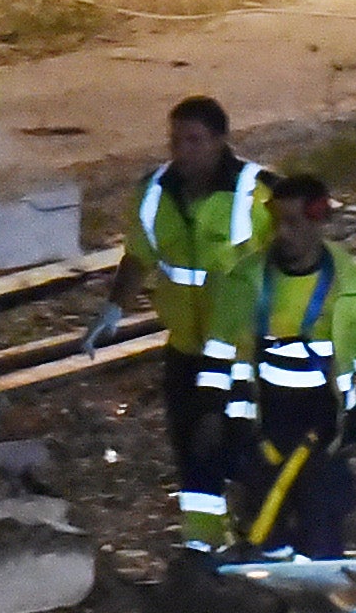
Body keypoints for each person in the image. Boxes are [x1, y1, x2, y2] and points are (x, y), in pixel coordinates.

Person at [91, 94, 274, 549]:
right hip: (188, 350)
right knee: (192, 449)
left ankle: (263, 538)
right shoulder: (154, 194)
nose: (182, 152)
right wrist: (114, 308)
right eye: (176, 140)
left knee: (251, 448)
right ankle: (202, 545)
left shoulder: (259, 193)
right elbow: (138, 256)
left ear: (219, 142)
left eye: (194, 141)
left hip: (245, 353)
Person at [201, 174, 356, 558]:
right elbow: (218, 356)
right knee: (263, 536)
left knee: (320, 541)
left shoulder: (353, 291)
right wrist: (213, 417)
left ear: (319, 221)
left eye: (293, 223)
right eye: (276, 221)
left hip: (324, 440)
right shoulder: (245, 283)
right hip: (259, 437)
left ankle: (313, 612)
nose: (282, 233)